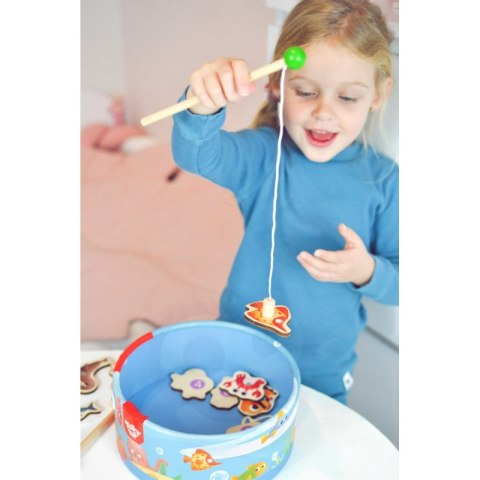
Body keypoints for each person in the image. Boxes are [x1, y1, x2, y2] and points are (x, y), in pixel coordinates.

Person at [171, 0, 398, 405]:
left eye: (347, 98)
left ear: (378, 94)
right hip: (236, 357)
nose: (323, 113)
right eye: (306, 92)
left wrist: (365, 270)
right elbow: (195, 154)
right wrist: (201, 102)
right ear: (277, 83)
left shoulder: (383, 180)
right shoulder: (264, 156)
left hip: (322, 376)